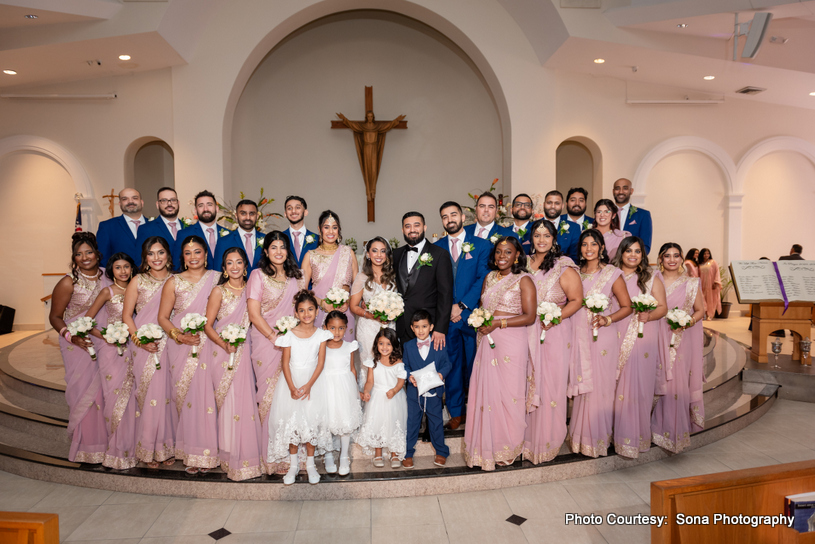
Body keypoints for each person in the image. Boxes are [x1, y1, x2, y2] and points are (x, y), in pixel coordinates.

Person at [463, 237, 537, 471]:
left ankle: (508, 446)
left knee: (509, 394)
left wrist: (498, 323)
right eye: (498, 252)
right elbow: (484, 308)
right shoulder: (489, 277)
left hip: (511, 341)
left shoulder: (524, 279)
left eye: (508, 252)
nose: (502, 256)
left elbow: (530, 316)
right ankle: (486, 447)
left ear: (517, 256)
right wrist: (482, 321)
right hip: (487, 339)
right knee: (488, 394)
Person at [567, 229, 632, 458]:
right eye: (584, 244)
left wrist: (607, 319)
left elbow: (627, 306)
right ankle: (580, 438)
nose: (589, 249)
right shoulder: (574, 273)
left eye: (593, 244)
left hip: (602, 335)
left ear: (602, 247)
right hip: (577, 334)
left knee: (600, 387)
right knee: (582, 385)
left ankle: (597, 439)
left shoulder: (612, 274)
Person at [158, 235, 219, 474]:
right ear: (182, 257)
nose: (193, 257)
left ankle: (210, 452)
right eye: (188, 253)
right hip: (182, 346)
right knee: (188, 399)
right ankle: (192, 452)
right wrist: (179, 336)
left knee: (209, 400)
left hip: (211, 345)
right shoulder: (173, 282)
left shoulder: (218, 278)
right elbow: (163, 317)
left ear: (205, 254)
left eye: (197, 252)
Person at [522, 220, 582, 464]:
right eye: (537, 235)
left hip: (553, 332)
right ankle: (524, 440)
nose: (541, 240)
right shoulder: (522, 264)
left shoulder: (563, 266)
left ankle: (546, 442)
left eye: (546, 235)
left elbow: (576, 300)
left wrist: (556, 317)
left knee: (549, 386)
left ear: (554, 239)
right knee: (526, 383)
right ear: (531, 238)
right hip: (524, 332)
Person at [246, 231, 305, 475]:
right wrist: (274, 337)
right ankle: (272, 455)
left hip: (292, 343)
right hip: (266, 343)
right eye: (273, 247)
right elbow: (253, 314)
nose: (278, 251)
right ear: (266, 251)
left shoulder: (297, 277)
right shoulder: (257, 275)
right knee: (269, 398)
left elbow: (303, 310)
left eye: (282, 247)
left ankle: (293, 455)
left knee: (291, 397)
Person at [202, 247, 263, 481]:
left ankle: (245, 453)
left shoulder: (252, 289)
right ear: (224, 268)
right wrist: (224, 344)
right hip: (221, 351)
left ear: (246, 266)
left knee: (244, 399)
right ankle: (228, 452)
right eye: (230, 263)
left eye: (239, 262)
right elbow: (208, 325)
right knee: (227, 401)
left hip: (246, 349)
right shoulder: (218, 291)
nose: (235, 267)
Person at [49, 232, 110, 464]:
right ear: (74, 258)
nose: (84, 258)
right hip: (78, 345)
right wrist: (71, 337)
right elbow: (55, 316)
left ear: (97, 254)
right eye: (79, 254)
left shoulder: (109, 276)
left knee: (105, 392)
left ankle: (109, 443)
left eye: (89, 252)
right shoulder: (68, 282)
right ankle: (88, 447)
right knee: (85, 393)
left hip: (105, 341)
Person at [434, 201, 490, 430]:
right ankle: (456, 412)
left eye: (453, 214)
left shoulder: (481, 245)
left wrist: (463, 305)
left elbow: (483, 277)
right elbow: (434, 283)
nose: (450, 220)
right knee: (452, 366)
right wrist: (449, 309)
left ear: (463, 216)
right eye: (445, 216)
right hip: (447, 318)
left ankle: (478, 410)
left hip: (472, 316)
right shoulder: (436, 247)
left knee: (476, 365)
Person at [611, 236, 668, 458]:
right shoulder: (611, 275)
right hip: (614, 333)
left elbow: (662, 307)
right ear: (621, 253)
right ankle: (614, 434)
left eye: (637, 251)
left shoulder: (651, 278)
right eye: (629, 251)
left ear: (642, 255)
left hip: (642, 336)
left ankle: (634, 436)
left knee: (637, 386)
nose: (633, 255)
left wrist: (648, 316)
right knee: (615, 385)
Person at [269, 290, 333, 485]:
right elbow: (285, 363)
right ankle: (294, 465)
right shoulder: (289, 335)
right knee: (293, 424)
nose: (307, 314)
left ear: (317, 311)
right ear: (296, 313)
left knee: (311, 423)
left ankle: (311, 465)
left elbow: (320, 363)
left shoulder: (321, 335)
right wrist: (291, 387)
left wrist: (309, 385)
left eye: (310, 309)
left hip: (313, 383)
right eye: (302, 310)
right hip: (291, 383)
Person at [122, 236, 175, 468]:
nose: (156, 258)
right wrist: (140, 341)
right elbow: (127, 316)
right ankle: (148, 449)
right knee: (150, 395)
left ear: (168, 255)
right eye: (151, 253)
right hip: (144, 345)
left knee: (167, 396)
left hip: (171, 344)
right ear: (144, 257)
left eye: (160, 252)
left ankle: (166, 447)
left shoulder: (176, 280)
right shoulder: (138, 281)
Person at [86, 252, 138, 470]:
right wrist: (107, 336)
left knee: (135, 398)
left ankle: (135, 448)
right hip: (112, 351)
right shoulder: (107, 292)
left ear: (132, 269)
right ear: (111, 271)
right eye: (118, 267)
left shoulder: (139, 289)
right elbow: (87, 322)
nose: (123, 271)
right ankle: (117, 450)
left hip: (136, 347)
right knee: (115, 398)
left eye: (126, 266)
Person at [652, 243, 705, 453]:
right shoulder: (652, 280)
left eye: (676, 256)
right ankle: (651, 427)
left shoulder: (691, 283)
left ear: (682, 259)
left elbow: (700, 310)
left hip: (679, 339)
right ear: (661, 259)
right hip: (654, 337)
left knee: (674, 383)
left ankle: (671, 432)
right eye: (667, 256)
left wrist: (686, 322)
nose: (672, 260)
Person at [393, 211, 454, 347]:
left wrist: (440, 328)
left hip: (428, 326)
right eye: (408, 226)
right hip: (402, 326)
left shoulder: (439, 254)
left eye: (417, 225)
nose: (412, 230)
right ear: (402, 230)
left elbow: (445, 294)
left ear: (424, 227)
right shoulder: (396, 254)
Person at [402, 310, 451, 468]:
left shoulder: (439, 344)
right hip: (414, 393)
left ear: (431, 327)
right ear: (412, 328)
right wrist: (409, 376)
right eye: (417, 327)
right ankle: (408, 452)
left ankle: (441, 451)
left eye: (424, 326)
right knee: (412, 422)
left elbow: (447, 364)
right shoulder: (408, 346)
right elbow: (405, 366)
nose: (421, 330)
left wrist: (441, 374)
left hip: (433, 392)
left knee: (436, 422)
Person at [302, 210, 358, 340]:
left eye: (334, 227)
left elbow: (357, 287)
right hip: (319, 311)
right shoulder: (311, 256)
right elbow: (302, 289)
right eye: (326, 227)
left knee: (344, 350)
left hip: (345, 312)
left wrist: (348, 302)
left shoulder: (348, 253)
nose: (331, 231)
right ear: (319, 229)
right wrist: (322, 303)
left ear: (339, 229)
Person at [319, 311, 363, 476]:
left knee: (345, 421)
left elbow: (352, 369)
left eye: (341, 328)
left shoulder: (349, 347)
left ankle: (344, 456)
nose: (336, 332)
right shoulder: (321, 347)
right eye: (332, 328)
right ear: (325, 327)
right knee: (327, 422)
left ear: (346, 328)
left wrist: (355, 390)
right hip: (326, 387)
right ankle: (328, 455)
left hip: (344, 387)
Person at [349, 237, 397, 388]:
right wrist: (371, 315)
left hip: (389, 326)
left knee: (388, 362)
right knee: (368, 364)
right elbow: (353, 306)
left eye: (383, 251)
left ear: (387, 254)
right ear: (368, 254)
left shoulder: (393, 276)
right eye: (374, 251)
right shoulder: (362, 277)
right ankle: (367, 396)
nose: (379, 255)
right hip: (368, 328)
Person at [357, 328, 408, 468]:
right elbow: (370, 381)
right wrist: (366, 391)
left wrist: (394, 390)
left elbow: (401, 381)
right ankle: (378, 453)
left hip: (394, 398)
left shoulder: (398, 363)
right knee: (377, 424)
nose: (384, 347)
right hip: (377, 398)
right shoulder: (373, 362)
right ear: (376, 344)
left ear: (394, 345)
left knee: (393, 423)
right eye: (381, 343)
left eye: (388, 344)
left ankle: (394, 453)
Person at [174, 190, 226, 271]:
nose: (205, 209)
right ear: (195, 210)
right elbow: (177, 267)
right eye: (201, 205)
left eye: (209, 205)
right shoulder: (184, 234)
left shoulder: (229, 234)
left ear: (217, 208)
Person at [96, 188, 147, 266]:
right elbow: (103, 259)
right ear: (120, 204)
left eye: (135, 198)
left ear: (142, 202)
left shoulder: (154, 225)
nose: (130, 201)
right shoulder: (107, 227)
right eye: (125, 199)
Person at [214, 199, 265, 274]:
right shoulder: (223, 242)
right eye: (243, 213)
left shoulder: (266, 239)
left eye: (251, 214)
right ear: (236, 216)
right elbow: (217, 273)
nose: (248, 217)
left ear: (257, 216)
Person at [136, 187, 184, 255]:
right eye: (164, 200)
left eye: (173, 200)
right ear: (157, 205)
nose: (169, 204)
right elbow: (140, 258)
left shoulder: (189, 228)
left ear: (178, 203)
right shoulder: (146, 229)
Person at [612, 178, 653, 255]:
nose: (621, 192)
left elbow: (645, 245)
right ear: (613, 191)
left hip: (632, 259)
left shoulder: (643, 215)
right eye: (617, 188)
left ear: (631, 191)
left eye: (625, 188)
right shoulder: (605, 214)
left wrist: (633, 258)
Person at [543, 190, 580, 262]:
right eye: (549, 203)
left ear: (562, 206)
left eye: (557, 203)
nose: (553, 206)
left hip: (565, 267)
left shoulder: (574, 228)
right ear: (544, 204)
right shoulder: (533, 226)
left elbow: (575, 257)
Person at [282, 195, 319, 267]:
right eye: (289, 208)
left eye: (297, 207)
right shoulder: (280, 238)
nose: (293, 211)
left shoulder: (317, 239)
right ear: (285, 214)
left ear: (305, 212)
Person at [698, 248, 721, 320]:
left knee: (710, 299)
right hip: (701, 284)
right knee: (702, 299)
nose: (706, 255)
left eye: (708, 253)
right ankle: (703, 314)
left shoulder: (713, 262)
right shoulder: (699, 263)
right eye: (705, 253)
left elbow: (717, 272)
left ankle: (710, 315)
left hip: (710, 284)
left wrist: (716, 282)